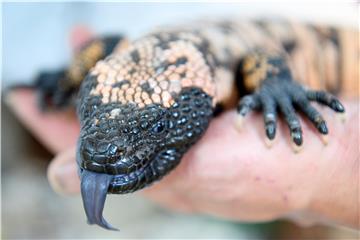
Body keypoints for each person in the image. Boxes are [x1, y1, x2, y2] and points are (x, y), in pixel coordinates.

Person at [5, 27, 359, 230]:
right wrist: (72, 74)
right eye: (94, 113)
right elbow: (104, 46)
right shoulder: (132, 66)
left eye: (158, 126)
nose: (104, 150)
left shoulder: (216, 73)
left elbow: (262, 58)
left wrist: (276, 87)